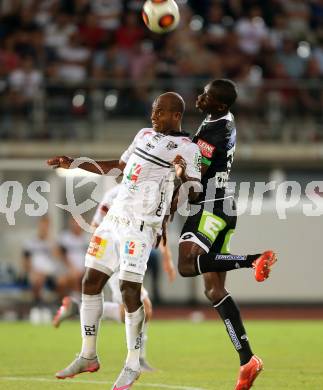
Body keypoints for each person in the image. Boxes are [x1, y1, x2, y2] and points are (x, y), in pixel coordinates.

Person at [47, 91, 202, 389]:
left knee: (129, 289)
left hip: (140, 227)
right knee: (90, 282)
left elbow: (194, 194)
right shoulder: (143, 134)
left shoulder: (188, 148)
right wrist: (75, 163)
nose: (153, 116)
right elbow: (117, 166)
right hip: (113, 219)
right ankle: (88, 355)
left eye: (160, 111)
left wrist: (181, 173)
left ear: (176, 115)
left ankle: (132, 364)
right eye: (153, 110)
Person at [176, 79, 277, 390]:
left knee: (187, 265)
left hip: (208, 206)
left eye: (205, 94)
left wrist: (176, 170)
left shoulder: (215, 129)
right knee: (214, 291)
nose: (200, 96)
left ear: (218, 104)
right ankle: (248, 360)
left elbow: (196, 172)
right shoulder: (220, 119)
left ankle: (252, 259)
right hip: (223, 205)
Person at [53, 184, 176, 372]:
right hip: (118, 259)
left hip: (134, 256)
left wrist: (166, 259)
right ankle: (138, 360)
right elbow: (96, 226)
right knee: (144, 307)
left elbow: (159, 228)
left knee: (138, 308)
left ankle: (77, 308)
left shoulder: (152, 192)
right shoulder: (115, 193)